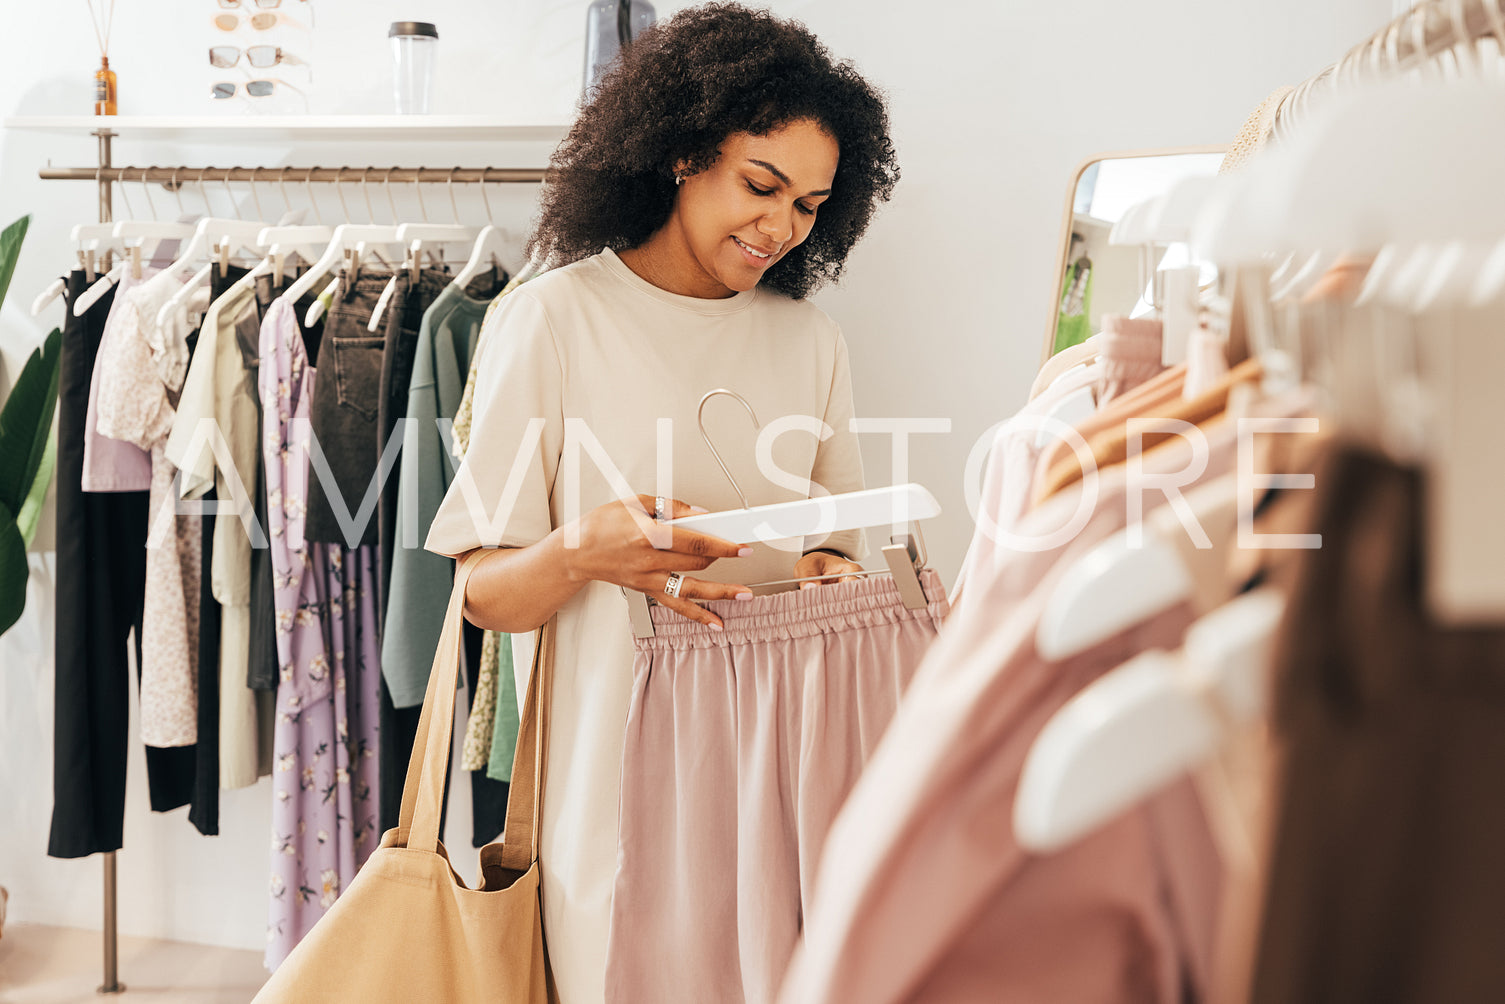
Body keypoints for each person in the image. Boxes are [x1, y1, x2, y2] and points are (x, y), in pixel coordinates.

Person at [424, 4, 899, 1000]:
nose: (778, 225)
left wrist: (827, 568)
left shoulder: (810, 344)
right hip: (614, 803)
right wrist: (581, 551)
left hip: (788, 790)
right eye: (758, 184)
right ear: (683, 154)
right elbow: (481, 596)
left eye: (809, 204)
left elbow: (839, 548)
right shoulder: (549, 322)